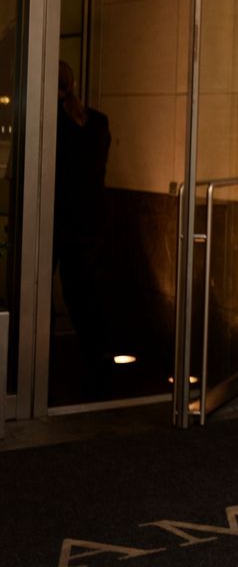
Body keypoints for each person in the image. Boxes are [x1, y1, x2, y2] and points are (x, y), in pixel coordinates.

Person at [53, 60, 113, 400]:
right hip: (89, 220)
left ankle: (30, 360)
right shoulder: (97, 122)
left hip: (56, 218)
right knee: (83, 292)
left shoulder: (49, 123)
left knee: (35, 289)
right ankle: (98, 356)